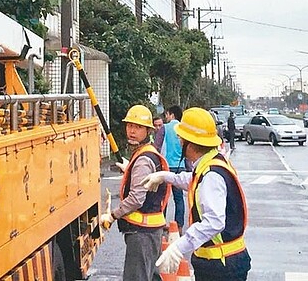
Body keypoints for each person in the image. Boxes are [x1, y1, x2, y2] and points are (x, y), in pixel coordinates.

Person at [145, 107, 251, 280]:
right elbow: (194, 180)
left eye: (181, 138)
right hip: (219, 261)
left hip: (221, 265)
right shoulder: (211, 162)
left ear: (191, 144)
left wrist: (179, 246)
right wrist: (166, 176)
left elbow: (214, 222)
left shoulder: (212, 175)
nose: (179, 141)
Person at [100, 105, 170, 281]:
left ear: (148, 131)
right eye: (129, 126)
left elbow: (136, 199)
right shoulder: (147, 153)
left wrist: (113, 215)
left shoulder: (143, 159)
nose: (132, 131)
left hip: (142, 235)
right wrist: (129, 170)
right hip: (150, 232)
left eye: (138, 127)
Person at [161, 104, 185, 228]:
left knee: (164, 197)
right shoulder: (183, 128)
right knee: (179, 198)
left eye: (167, 115)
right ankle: (179, 225)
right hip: (180, 166)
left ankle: (162, 223)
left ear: (172, 115)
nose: (166, 117)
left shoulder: (165, 128)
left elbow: (161, 147)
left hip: (167, 166)